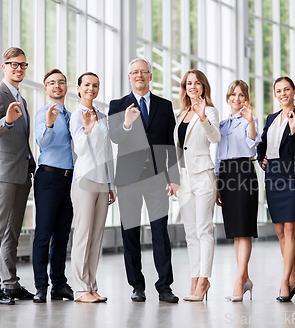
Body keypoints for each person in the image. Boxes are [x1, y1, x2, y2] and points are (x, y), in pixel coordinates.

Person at [108, 58, 180, 303]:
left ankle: (165, 286)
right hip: (128, 179)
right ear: (129, 77)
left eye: (143, 72)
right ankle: (137, 286)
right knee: (130, 233)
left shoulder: (164, 105)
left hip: (158, 178)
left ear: (150, 76)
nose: (139, 75)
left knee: (160, 232)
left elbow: (170, 144)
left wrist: (174, 177)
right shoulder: (117, 105)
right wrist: (127, 123)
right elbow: (114, 137)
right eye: (134, 72)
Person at [0, 47, 36, 305]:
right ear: (4, 66)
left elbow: (23, 140)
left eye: (23, 65)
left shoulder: (21, 99)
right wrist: (7, 120)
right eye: (14, 64)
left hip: (22, 173)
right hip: (3, 173)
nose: (19, 69)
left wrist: (32, 164)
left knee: (12, 233)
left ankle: (10, 284)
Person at [257, 77, 295, 302]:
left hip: (291, 175)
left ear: (294, 91)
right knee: (280, 232)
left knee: (290, 230)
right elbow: (262, 144)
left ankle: (284, 282)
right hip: (273, 175)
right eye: (278, 90)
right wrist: (262, 159)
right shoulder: (270, 118)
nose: (282, 94)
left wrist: (292, 129)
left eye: (286, 89)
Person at [70, 72, 116, 303]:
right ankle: (79, 290)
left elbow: (108, 153)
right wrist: (88, 129)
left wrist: (111, 184)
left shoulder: (103, 115)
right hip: (85, 180)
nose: (91, 88)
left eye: (95, 85)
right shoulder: (76, 116)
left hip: (101, 181)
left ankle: (91, 285)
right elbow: (79, 149)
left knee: (96, 236)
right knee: (83, 235)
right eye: (87, 85)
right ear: (78, 88)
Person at [174, 70, 220, 302]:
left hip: (203, 176)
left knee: (204, 230)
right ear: (185, 87)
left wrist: (203, 117)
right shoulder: (180, 113)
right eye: (189, 83)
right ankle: (194, 278)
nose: (193, 87)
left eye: (197, 83)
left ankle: (204, 280)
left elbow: (215, 138)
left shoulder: (210, 110)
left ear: (203, 87)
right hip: (184, 180)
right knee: (190, 233)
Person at [215, 80, 260, 302]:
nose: (237, 99)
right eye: (233, 95)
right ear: (228, 98)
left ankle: (239, 281)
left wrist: (250, 121)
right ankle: (246, 278)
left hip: (244, 170)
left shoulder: (251, 121)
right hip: (226, 174)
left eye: (241, 95)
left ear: (247, 98)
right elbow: (218, 153)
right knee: (235, 231)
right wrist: (216, 181)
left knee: (244, 228)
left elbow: (253, 144)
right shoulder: (222, 125)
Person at [32, 69, 74, 303]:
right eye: (51, 83)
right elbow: (42, 142)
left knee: (62, 235)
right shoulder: (43, 112)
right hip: (48, 178)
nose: (57, 86)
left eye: (61, 82)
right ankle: (41, 286)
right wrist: (48, 123)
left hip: (69, 180)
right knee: (43, 233)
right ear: (46, 89)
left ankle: (59, 284)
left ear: (66, 87)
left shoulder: (71, 114)